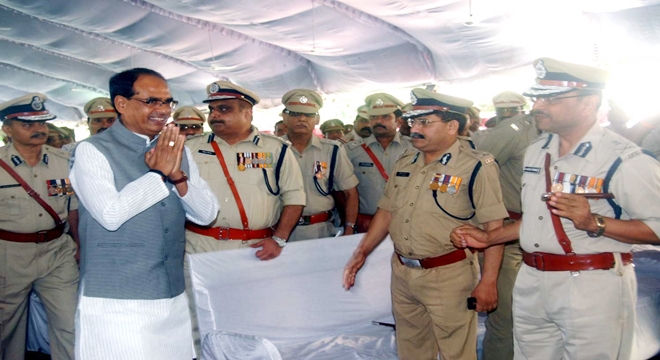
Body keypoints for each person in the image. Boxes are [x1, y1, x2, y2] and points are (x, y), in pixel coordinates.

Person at [451, 58, 660, 360]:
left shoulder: (623, 159)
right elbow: (540, 220)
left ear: (589, 103)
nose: (538, 106)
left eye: (551, 99)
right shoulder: (539, 149)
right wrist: (489, 239)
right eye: (537, 97)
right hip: (533, 278)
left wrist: (595, 223)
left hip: (592, 284)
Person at [343, 88, 507, 360]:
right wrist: (361, 252)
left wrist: (488, 281)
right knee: (412, 347)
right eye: (412, 122)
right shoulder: (406, 160)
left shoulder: (475, 165)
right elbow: (387, 210)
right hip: (403, 272)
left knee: (456, 352)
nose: (414, 129)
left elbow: (494, 229)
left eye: (424, 122)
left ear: (452, 126)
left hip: (448, 273)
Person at [70, 68, 219, 359]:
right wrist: (159, 173)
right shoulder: (91, 151)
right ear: (121, 104)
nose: (162, 110)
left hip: (170, 291)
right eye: (152, 101)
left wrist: (177, 175)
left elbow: (207, 214)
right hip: (118, 296)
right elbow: (111, 215)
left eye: (167, 102)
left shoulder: (176, 148)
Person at [184, 80, 305, 357]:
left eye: (223, 109)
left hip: (254, 249)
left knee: (251, 314)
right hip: (199, 246)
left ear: (247, 113)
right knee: (197, 315)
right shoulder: (190, 148)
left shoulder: (276, 149)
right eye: (212, 110)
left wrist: (279, 239)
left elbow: (295, 198)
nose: (214, 116)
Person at [1, 93, 79, 360]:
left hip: (57, 252)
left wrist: (78, 246)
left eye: (42, 123)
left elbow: (73, 209)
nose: (39, 130)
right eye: (28, 124)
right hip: (9, 255)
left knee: (70, 323)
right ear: (7, 129)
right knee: (6, 328)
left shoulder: (62, 162)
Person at [469, 93, 540, 360]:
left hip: (550, 235)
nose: (509, 114)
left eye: (514, 109)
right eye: (504, 110)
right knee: (507, 316)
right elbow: (475, 168)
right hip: (510, 235)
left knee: (541, 317)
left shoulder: (560, 139)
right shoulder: (513, 133)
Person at [280, 89, 359, 241]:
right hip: (279, 232)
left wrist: (349, 228)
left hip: (321, 231)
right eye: (295, 113)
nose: (302, 119)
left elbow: (350, 193)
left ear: (317, 119)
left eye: (309, 115)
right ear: (285, 117)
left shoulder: (332, 150)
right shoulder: (274, 149)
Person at [345, 93, 412, 232]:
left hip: (405, 225)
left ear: (398, 121)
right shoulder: (351, 151)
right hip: (366, 225)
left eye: (386, 117)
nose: (379, 121)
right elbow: (343, 192)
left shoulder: (414, 149)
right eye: (374, 117)